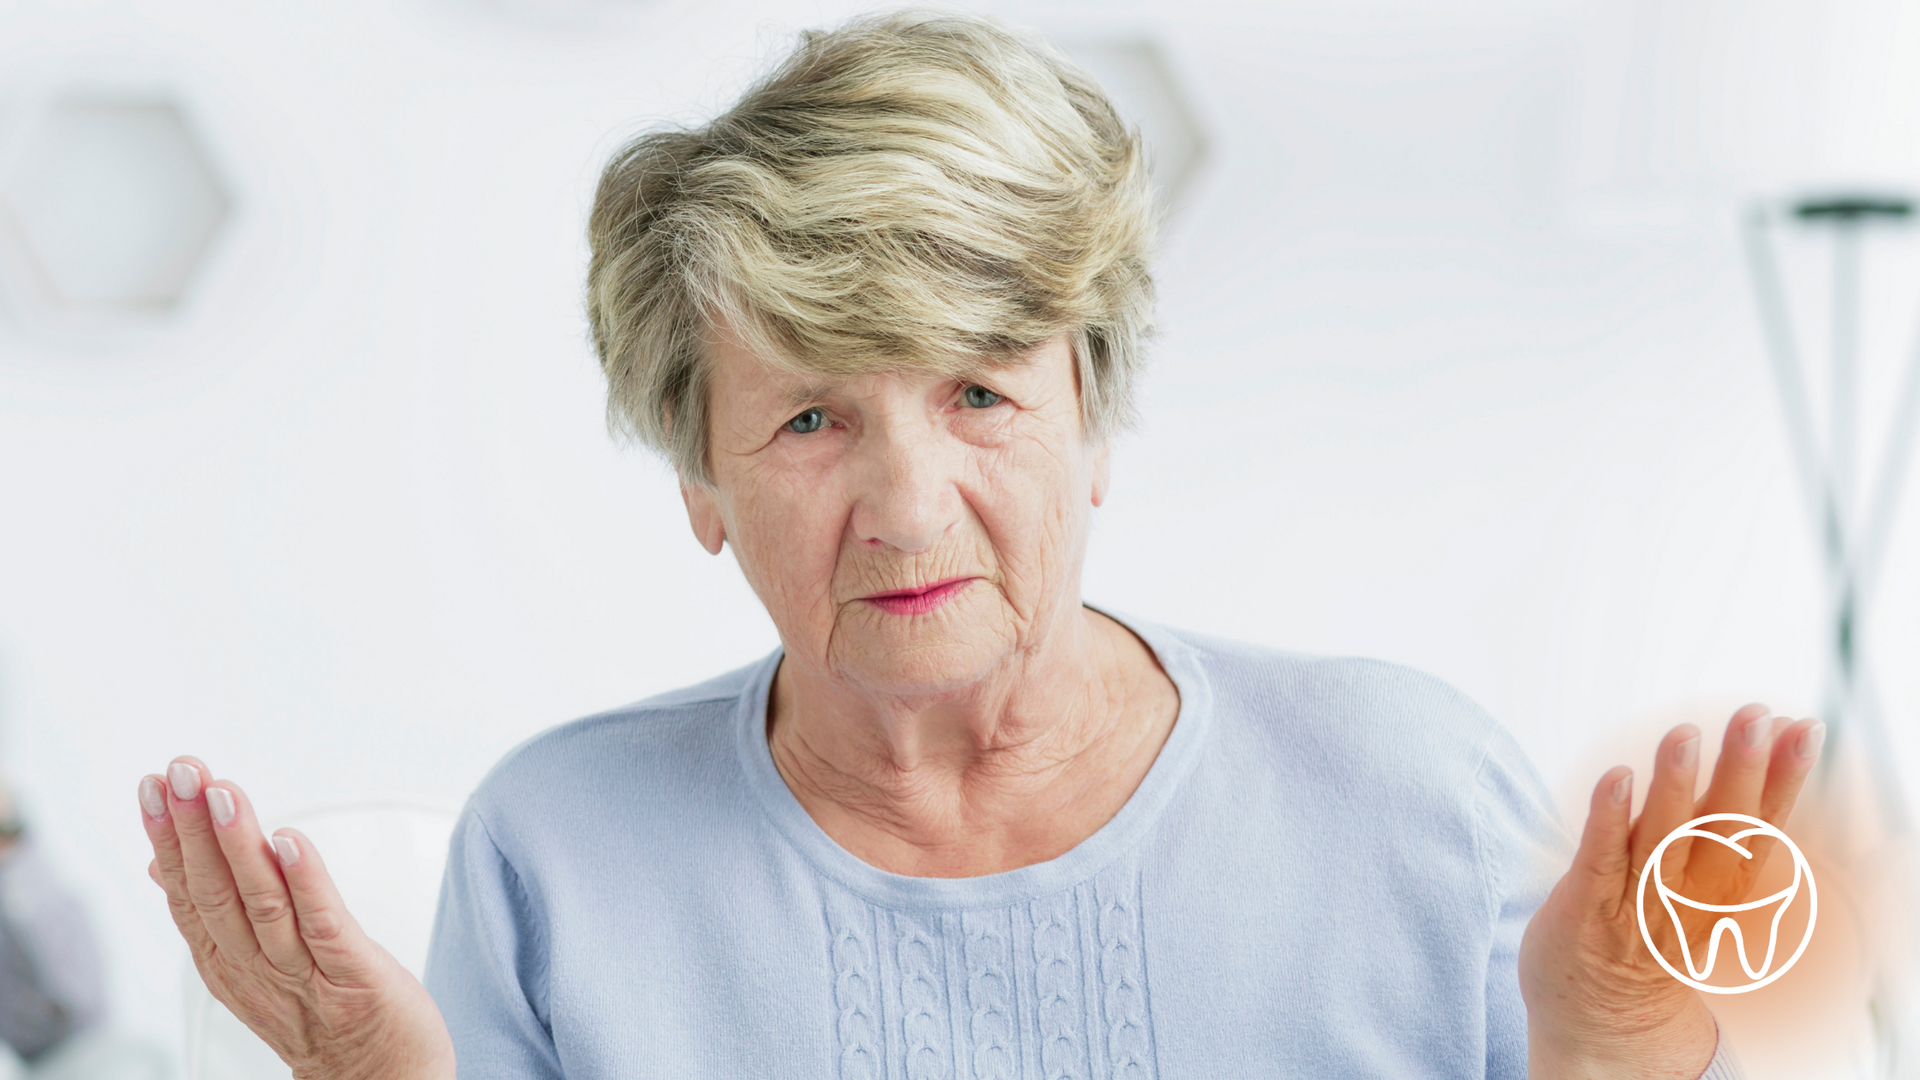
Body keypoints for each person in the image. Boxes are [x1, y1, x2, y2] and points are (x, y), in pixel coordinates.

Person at [136, 12, 1824, 1078]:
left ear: (1094, 413)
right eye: (808, 419)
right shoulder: (559, 853)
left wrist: (1619, 1045)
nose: (911, 501)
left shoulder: (1407, 789)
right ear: (697, 478)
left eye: (979, 393)